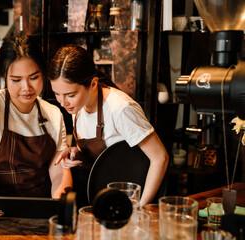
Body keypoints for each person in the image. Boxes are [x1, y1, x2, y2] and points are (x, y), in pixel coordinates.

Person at [0, 35, 72, 223]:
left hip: (42, 217)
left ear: (43, 73)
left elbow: (59, 172)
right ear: (4, 78)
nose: (26, 87)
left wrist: (58, 203)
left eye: (34, 77)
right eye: (16, 80)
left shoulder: (53, 114)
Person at [48, 45, 168, 208]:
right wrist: (75, 152)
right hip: (100, 198)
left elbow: (160, 157)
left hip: (127, 200)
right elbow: (104, 153)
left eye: (70, 95)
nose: (63, 102)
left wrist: (140, 205)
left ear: (93, 83)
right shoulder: (76, 106)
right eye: (57, 94)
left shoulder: (120, 109)